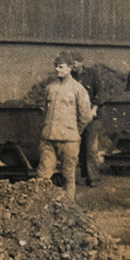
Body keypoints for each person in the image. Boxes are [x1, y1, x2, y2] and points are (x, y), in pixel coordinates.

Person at [37, 51, 93, 200]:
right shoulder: (50, 88)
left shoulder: (78, 89)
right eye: (56, 66)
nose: (57, 69)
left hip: (69, 141)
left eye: (60, 67)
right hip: (48, 139)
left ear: (70, 68)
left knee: (68, 176)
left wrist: (74, 132)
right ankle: (41, 210)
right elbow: (44, 112)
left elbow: (85, 116)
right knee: (42, 177)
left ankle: (69, 209)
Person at [70, 51, 103, 187]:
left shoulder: (92, 74)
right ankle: (82, 176)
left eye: (74, 63)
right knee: (78, 148)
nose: (73, 66)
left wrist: (94, 110)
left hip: (92, 118)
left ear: (81, 62)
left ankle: (93, 178)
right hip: (76, 118)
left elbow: (99, 93)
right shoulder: (70, 77)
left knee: (90, 148)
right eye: (71, 63)